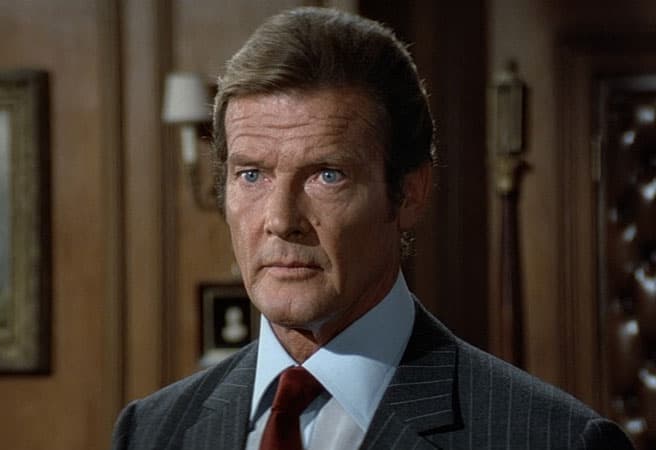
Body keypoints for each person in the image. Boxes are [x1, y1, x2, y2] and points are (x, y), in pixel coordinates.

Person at [112, 7, 634, 450]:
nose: (280, 220)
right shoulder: (152, 431)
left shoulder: (550, 438)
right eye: (252, 175)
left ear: (409, 193)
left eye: (326, 175)